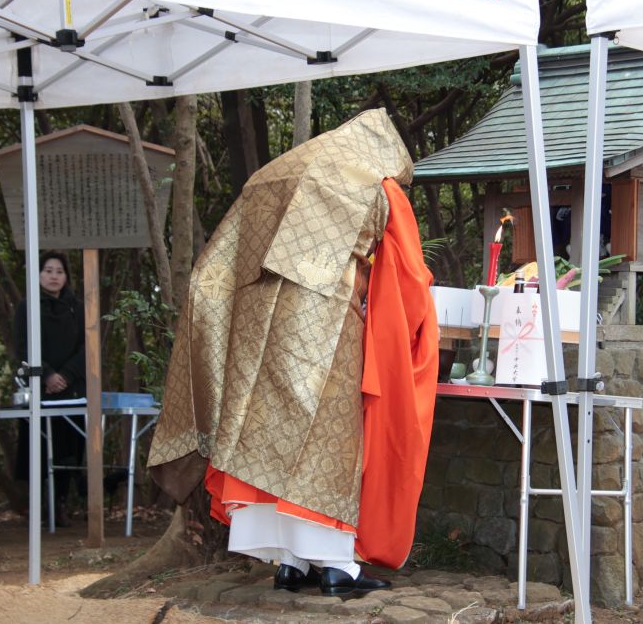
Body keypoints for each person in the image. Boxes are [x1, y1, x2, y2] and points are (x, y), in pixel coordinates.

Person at [147, 109, 439, 596]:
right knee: (326, 441)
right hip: (329, 326)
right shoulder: (378, 185)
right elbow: (408, 274)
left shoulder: (270, 177)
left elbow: (216, 268)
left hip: (255, 327)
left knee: (265, 434)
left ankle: (290, 561)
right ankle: (336, 566)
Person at [15, 250, 87, 527]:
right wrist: (46, 375)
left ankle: (61, 503)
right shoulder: (27, 306)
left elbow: (87, 346)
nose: (54, 276)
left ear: (66, 276)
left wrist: (65, 375)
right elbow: (23, 345)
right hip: (39, 387)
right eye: (48, 271)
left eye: (59, 271)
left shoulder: (77, 308)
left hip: (71, 388)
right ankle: (39, 505)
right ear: (38, 275)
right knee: (37, 447)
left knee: (68, 447)